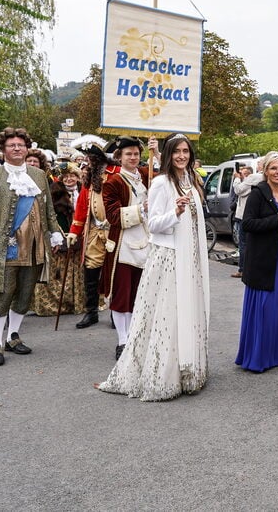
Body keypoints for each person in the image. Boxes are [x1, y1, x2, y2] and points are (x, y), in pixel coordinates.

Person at [97, 133, 210, 401]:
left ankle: (187, 369)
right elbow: (155, 224)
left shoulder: (191, 183)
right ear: (168, 155)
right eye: (176, 152)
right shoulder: (161, 183)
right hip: (168, 258)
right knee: (167, 316)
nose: (182, 156)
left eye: (186, 151)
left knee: (185, 313)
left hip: (188, 258)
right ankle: (162, 374)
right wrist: (176, 214)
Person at [0, 128, 63, 366]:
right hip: (5, 248)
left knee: (25, 293)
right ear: (3, 150)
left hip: (35, 246)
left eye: (21, 145)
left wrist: (56, 233)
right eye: (11, 145)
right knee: (1, 294)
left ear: (27, 148)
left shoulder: (39, 175)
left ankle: (13, 336)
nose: (17, 148)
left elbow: (48, 210)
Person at [235, 152, 278, 372]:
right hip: (267, 260)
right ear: (265, 171)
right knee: (268, 308)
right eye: (273, 168)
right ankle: (260, 356)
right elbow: (247, 224)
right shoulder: (258, 194)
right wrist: (276, 219)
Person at [100, 136, 157, 359]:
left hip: (147, 242)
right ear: (119, 157)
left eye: (136, 154)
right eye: (128, 154)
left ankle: (135, 336)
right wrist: (141, 209)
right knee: (121, 295)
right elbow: (113, 216)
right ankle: (122, 340)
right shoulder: (113, 182)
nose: (133, 158)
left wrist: (158, 153)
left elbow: (167, 178)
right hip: (123, 245)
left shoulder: (146, 175)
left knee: (138, 294)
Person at [68, 135, 117, 329]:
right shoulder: (89, 178)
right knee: (91, 270)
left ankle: (117, 312)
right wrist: (74, 231)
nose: (89, 162)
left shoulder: (117, 174)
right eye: (88, 158)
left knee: (115, 272)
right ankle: (91, 312)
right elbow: (81, 206)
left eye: (92, 158)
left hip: (114, 230)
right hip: (95, 230)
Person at [30, 163, 86, 316]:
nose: (69, 179)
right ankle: (55, 305)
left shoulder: (84, 191)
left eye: (72, 176)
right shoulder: (54, 192)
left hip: (80, 237)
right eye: (66, 176)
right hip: (60, 236)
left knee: (78, 271)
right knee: (58, 272)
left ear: (77, 177)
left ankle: (76, 303)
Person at [230, 164, 253, 278]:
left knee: (243, 244)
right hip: (241, 216)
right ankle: (243, 268)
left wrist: (237, 179)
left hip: (245, 217)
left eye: (244, 174)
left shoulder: (248, 184)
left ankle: (242, 269)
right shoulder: (247, 184)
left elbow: (238, 190)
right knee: (242, 244)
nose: (242, 176)